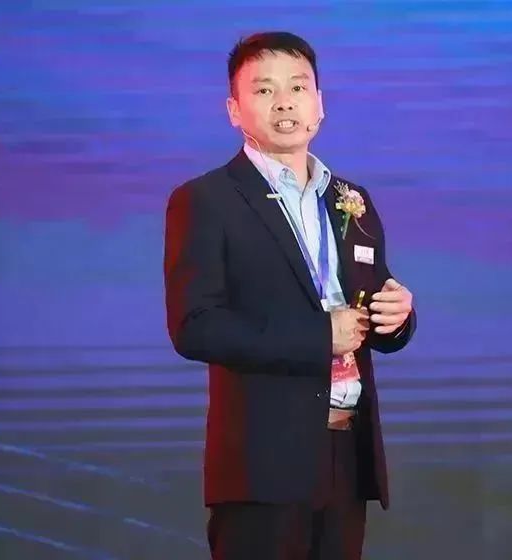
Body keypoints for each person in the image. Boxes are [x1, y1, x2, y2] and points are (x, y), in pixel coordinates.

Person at [164, 31, 416, 560]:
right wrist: (320, 336)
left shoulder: (351, 198)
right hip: (263, 464)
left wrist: (398, 317)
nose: (284, 102)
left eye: (298, 87)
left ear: (319, 103)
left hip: (346, 453)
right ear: (234, 110)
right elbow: (195, 325)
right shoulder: (206, 199)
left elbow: (373, 302)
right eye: (264, 90)